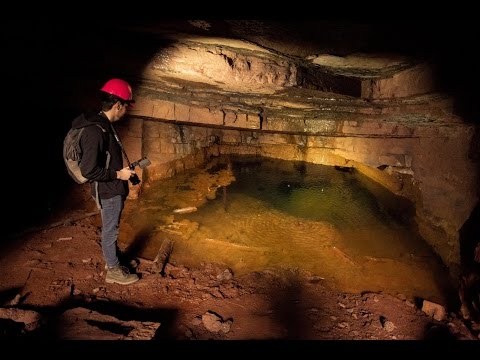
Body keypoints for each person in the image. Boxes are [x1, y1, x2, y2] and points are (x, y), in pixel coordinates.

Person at [74, 78, 139, 285]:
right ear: (118, 105)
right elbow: (89, 169)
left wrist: (121, 172)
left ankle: (113, 260)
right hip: (108, 191)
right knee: (111, 230)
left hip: (111, 188)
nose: (126, 111)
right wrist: (119, 175)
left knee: (112, 228)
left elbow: (106, 162)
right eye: (126, 106)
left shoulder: (104, 125)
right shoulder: (96, 130)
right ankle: (113, 270)